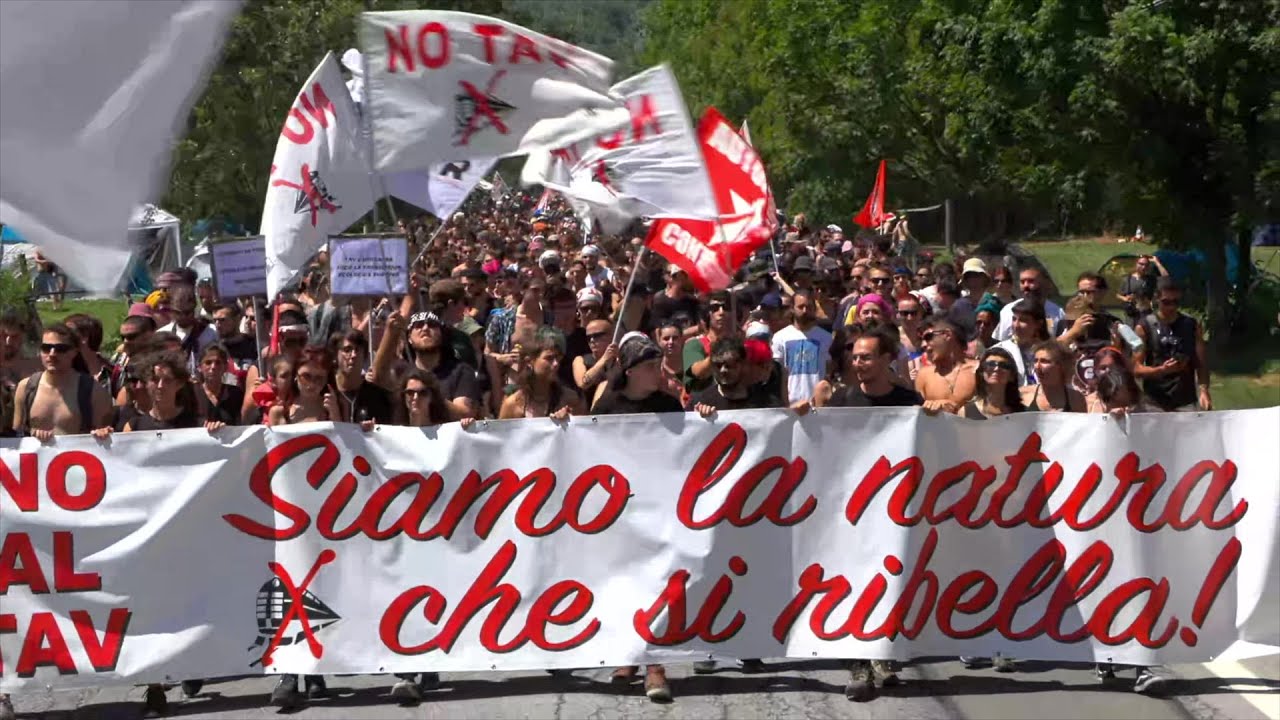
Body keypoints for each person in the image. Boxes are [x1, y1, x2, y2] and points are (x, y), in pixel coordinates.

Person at [792, 325, 917, 700]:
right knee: (852, 585)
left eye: (866, 357)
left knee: (887, 583)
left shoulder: (908, 402)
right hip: (849, 510)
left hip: (893, 509)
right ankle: (858, 665)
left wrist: (934, 414)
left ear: (886, 359)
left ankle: (882, 654)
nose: (858, 363)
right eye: (855, 356)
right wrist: (802, 416)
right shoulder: (841, 400)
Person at [594, 333, 680, 701]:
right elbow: (587, 447)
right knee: (625, 584)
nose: (657, 371)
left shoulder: (669, 406)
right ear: (629, 371)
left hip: (660, 507)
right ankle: (628, 656)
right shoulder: (608, 406)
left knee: (655, 585)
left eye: (658, 365)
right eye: (649, 366)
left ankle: (655, 666)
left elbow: (688, 447)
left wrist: (706, 418)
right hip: (621, 510)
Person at [12, 325, 113, 441]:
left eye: (60, 349)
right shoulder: (26, 388)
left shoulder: (95, 392)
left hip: (76, 452)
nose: (52, 354)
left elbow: (105, 437)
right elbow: (16, 436)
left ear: (74, 352)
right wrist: (33, 434)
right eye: (46, 348)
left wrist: (102, 433)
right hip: (36, 453)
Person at [1133, 277, 1211, 411]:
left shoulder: (1192, 325)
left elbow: (1201, 363)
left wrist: (1204, 390)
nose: (1172, 307)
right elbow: (1136, 369)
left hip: (1185, 401)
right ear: (1157, 299)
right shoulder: (1144, 327)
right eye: (1166, 302)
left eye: (1176, 302)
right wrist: (1161, 370)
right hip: (1154, 401)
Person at [499, 327, 584, 419]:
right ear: (529, 361)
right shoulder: (513, 405)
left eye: (557, 358)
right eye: (549, 358)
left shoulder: (569, 399)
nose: (556, 364)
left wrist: (569, 420)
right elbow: (501, 428)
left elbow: (583, 426)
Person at [690, 338, 782, 414]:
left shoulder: (766, 402)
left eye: (729, 365)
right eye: (718, 365)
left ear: (743, 365)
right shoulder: (702, 401)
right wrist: (697, 417)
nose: (723, 370)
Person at [771, 289, 832, 404]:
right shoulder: (780, 337)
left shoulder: (826, 338)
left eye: (808, 307)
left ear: (814, 309)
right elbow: (778, 373)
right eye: (801, 307)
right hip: (791, 403)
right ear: (792, 308)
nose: (805, 311)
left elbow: (830, 370)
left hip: (819, 404)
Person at [914, 318, 976, 414]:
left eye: (928, 337)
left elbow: (991, 408)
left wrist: (961, 410)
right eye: (921, 340)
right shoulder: (924, 375)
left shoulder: (978, 370)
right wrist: (928, 408)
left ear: (947, 335)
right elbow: (915, 413)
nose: (923, 344)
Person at [683, 289, 736, 394]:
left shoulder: (739, 344)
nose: (721, 312)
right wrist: (720, 350)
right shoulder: (694, 344)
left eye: (726, 308)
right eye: (715, 308)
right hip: (703, 400)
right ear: (707, 314)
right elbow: (697, 372)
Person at [994, 267, 1065, 341]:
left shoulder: (1057, 312)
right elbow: (1000, 341)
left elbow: (1061, 342)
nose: (1026, 285)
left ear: (1045, 283)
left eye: (1031, 281)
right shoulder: (1008, 311)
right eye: (1022, 282)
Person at [157, 285, 217, 370]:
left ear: (194, 309)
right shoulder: (162, 334)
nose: (183, 317)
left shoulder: (212, 332)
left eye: (187, 312)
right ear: (171, 310)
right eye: (178, 313)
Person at [995, 300, 1051, 386]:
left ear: (1039, 324)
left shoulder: (1051, 352)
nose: (1016, 325)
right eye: (1014, 319)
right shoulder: (1001, 351)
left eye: (1023, 320)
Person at [1021, 341, 1087, 412]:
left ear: (1062, 365)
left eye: (1044, 361)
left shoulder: (1076, 399)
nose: (1037, 366)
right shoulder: (1022, 395)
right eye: (1035, 361)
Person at [963, 347, 1026, 419]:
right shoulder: (966, 412)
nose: (996, 368)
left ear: (1011, 376)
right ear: (982, 372)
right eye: (991, 364)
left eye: (1003, 365)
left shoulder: (1023, 413)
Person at [197, 344, 244, 426]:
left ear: (225, 367)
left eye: (218, 363)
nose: (213, 367)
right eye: (208, 363)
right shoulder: (192, 394)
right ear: (200, 367)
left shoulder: (235, 393)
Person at [573, 318, 618, 403]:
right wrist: (604, 359)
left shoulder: (621, 360)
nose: (592, 340)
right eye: (589, 337)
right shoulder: (581, 360)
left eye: (597, 336)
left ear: (612, 336)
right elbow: (583, 384)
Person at [1117, 253, 1167, 324]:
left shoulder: (1151, 279)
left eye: (1146, 265)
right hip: (1131, 316)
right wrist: (1125, 299)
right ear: (1136, 264)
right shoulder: (1127, 279)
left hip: (1146, 316)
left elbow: (1166, 278)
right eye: (1141, 264)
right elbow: (1118, 295)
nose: (1143, 267)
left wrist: (1157, 262)